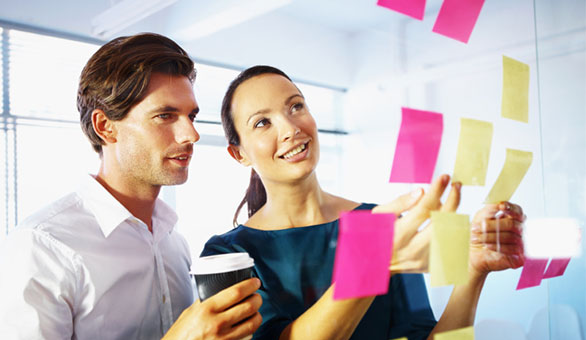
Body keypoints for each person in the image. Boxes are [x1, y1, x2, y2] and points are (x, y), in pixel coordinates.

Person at [201, 65, 526, 339]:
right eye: (262, 122)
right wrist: (376, 262)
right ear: (239, 153)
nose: (290, 128)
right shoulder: (226, 257)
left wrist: (473, 270)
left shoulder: (381, 224)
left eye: (296, 106)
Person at [0, 33, 261, 340]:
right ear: (105, 127)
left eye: (191, 116)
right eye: (165, 116)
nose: (191, 134)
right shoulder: (42, 248)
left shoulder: (174, 244)